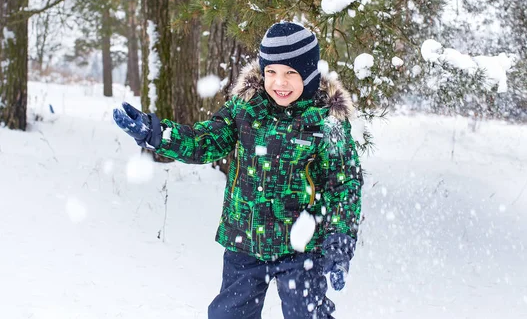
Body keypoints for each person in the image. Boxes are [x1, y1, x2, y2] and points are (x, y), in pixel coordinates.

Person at [113, 22, 363, 319]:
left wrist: (339, 242)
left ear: (308, 74)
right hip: (246, 238)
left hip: (303, 244)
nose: (279, 83)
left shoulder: (327, 122)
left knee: (306, 314)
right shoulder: (246, 108)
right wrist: (156, 133)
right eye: (271, 72)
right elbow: (204, 141)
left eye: (290, 73)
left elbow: (344, 184)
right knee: (230, 314)